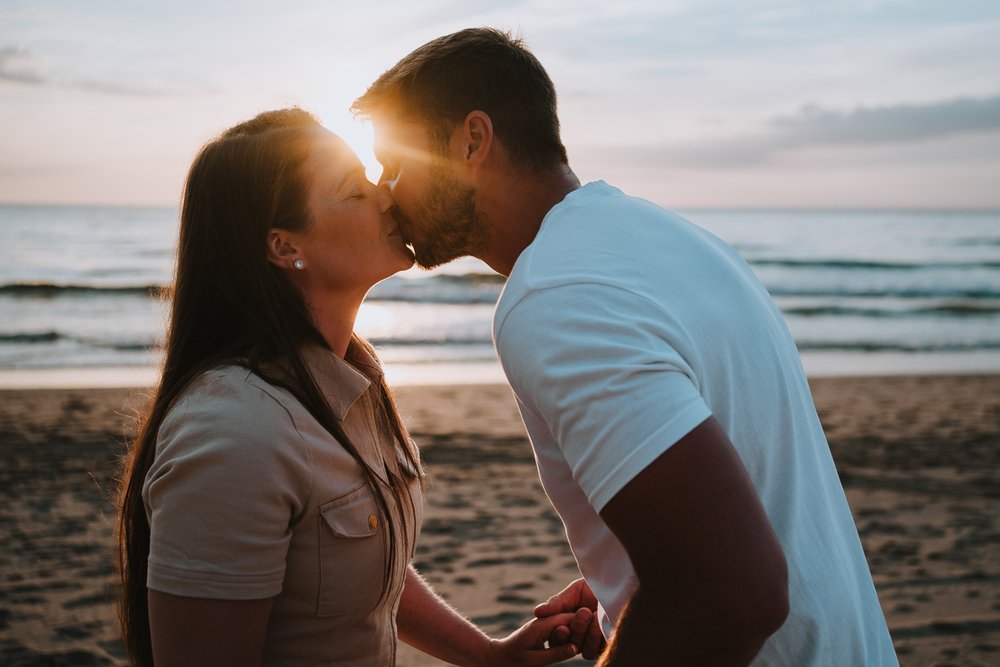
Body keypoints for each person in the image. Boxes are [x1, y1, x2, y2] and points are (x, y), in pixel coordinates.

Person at [352, 28, 899, 666]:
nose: (386, 189)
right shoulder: (672, 240)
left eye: (395, 162)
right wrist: (635, 592)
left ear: (471, 140)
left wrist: (675, 599)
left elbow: (733, 593)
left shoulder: (553, 296)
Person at [115, 108, 586, 666]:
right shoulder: (234, 434)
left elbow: (356, 566)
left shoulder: (349, 381)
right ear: (285, 246)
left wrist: (487, 655)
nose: (385, 196)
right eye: (351, 190)